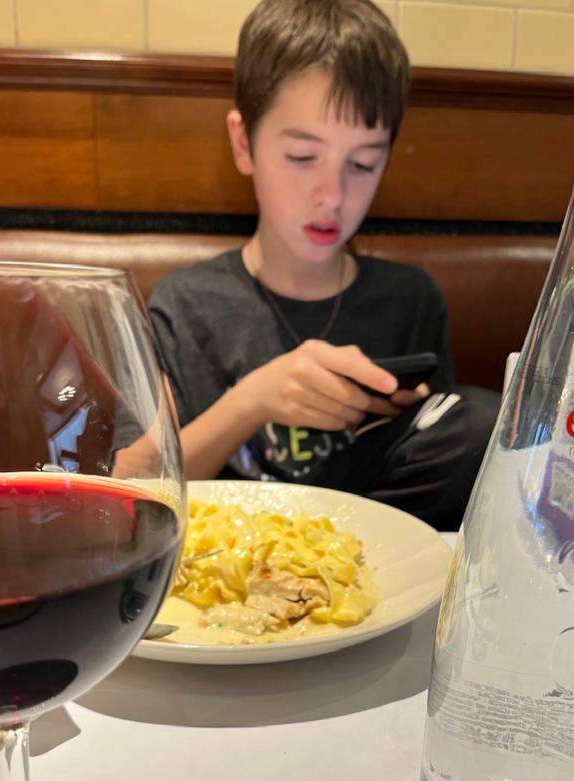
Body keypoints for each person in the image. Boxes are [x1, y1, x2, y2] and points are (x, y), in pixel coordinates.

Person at [148, 0, 500, 530]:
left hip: (365, 567)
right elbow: (136, 488)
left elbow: (439, 469)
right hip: (228, 570)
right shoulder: (187, 303)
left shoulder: (411, 300)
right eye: (302, 157)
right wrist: (255, 400)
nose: (332, 195)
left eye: (362, 163)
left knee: (478, 427)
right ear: (244, 143)